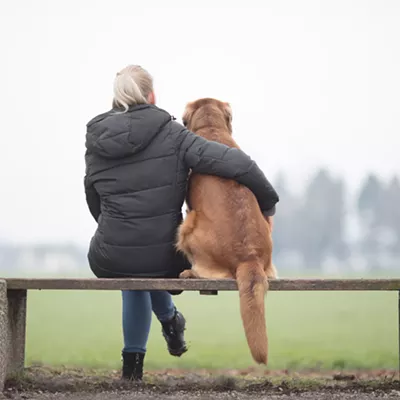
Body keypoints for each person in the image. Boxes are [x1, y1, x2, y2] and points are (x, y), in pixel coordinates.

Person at [84, 65, 279, 381]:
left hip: (109, 252)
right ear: (152, 95)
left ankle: (133, 371)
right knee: (146, 265)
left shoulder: (96, 137)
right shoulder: (173, 134)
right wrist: (268, 203)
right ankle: (170, 319)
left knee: (131, 272)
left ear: (116, 98)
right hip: (163, 253)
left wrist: (112, 228)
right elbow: (237, 162)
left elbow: (92, 194)